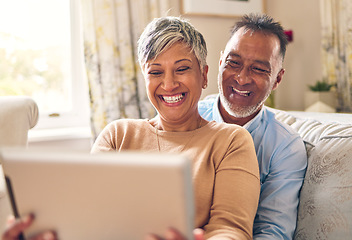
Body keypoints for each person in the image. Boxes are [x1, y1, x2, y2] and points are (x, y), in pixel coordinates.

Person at [2, 16, 260, 240]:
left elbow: (232, 230)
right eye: (156, 72)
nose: (168, 84)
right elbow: (90, 218)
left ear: (204, 75)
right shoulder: (118, 135)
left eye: (182, 69)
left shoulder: (231, 141)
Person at [198, 13, 307, 240]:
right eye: (233, 63)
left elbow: (273, 232)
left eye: (258, 69)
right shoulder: (188, 117)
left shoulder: (285, 147)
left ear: (277, 79)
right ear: (220, 63)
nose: (241, 78)